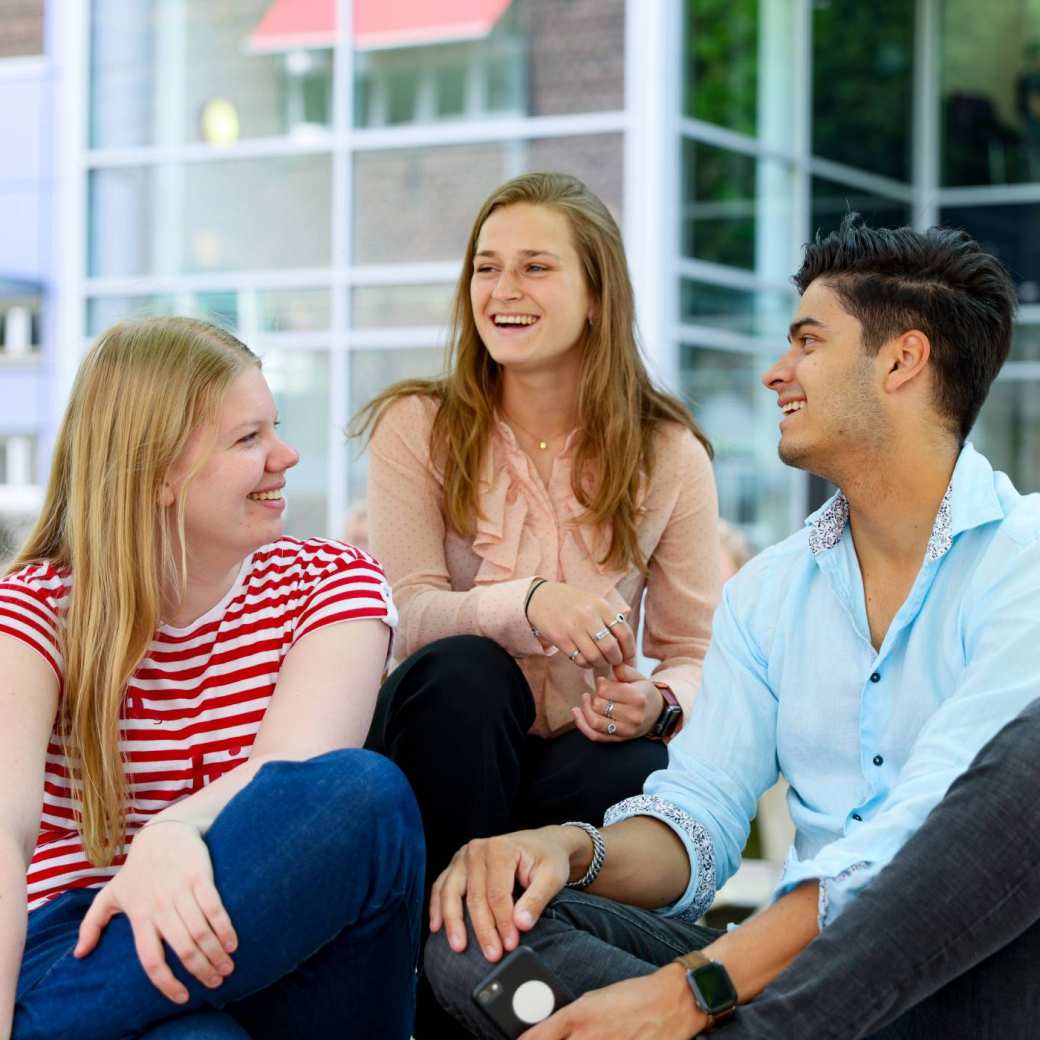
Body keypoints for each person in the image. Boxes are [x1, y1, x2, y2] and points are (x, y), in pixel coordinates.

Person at [424, 216, 1040, 1038]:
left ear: (902, 360)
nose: (775, 373)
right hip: (785, 984)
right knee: (478, 930)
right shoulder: (771, 593)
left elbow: (934, 834)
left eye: (808, 343)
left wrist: (694, 990)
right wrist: (567, 849)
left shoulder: (1025, 558)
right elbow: (700, 816)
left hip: (964, 982)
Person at [354, 172, 721, 1036]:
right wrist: (527, 602)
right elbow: (404, 611)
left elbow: (697, 651)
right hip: (442, 749)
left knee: (629, 765)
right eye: (486, 268)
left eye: (534, 268)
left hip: (567, 778)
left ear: (597, 295)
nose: (502, 291)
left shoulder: (670, 453)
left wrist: (658, 702)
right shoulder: (419, 425)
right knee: (468, 673)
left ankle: (546, 1000)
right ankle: (436, 994)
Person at [0, 318, 423, 1040]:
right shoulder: (36, 606)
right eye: (248, 439)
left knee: (366, 793)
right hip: (81, 943)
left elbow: (288, 772)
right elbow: (6, 830)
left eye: (275, 429)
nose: (286, 457)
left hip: (278, 940)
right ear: (160, 473)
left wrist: (168, 834)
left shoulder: (333, 582)